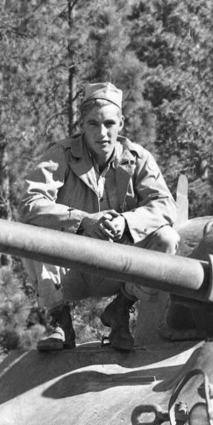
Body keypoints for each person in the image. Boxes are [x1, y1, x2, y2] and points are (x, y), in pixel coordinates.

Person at [21, 82, 180, 353]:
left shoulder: (138, 158)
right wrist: (83, 221)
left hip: (120, 269)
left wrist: (126, 222)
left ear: (121, 123)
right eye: (93, 124)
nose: (102, 133)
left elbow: (166, 205)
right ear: (82, 125)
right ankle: (60, 322)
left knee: (166, 238)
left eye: (109, 123)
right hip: (70, 268)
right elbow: (30, 203)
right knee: (28, 235)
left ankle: (120, 310)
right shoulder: (61, 155)